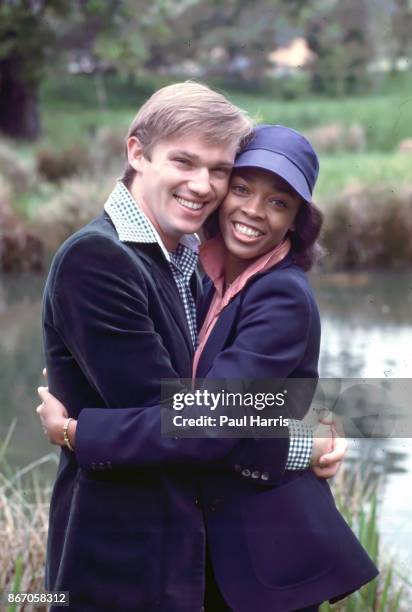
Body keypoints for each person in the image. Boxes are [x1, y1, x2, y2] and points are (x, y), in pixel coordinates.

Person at [38, 114, 377, 611]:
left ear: (296, 220)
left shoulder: (279, 294)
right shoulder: (201, 275)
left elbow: (210, 422)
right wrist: (314, 426)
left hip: (260, 558)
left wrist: (78, 431)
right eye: (241, 188)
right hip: (209, 555)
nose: (255, 211)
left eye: (279, 202)